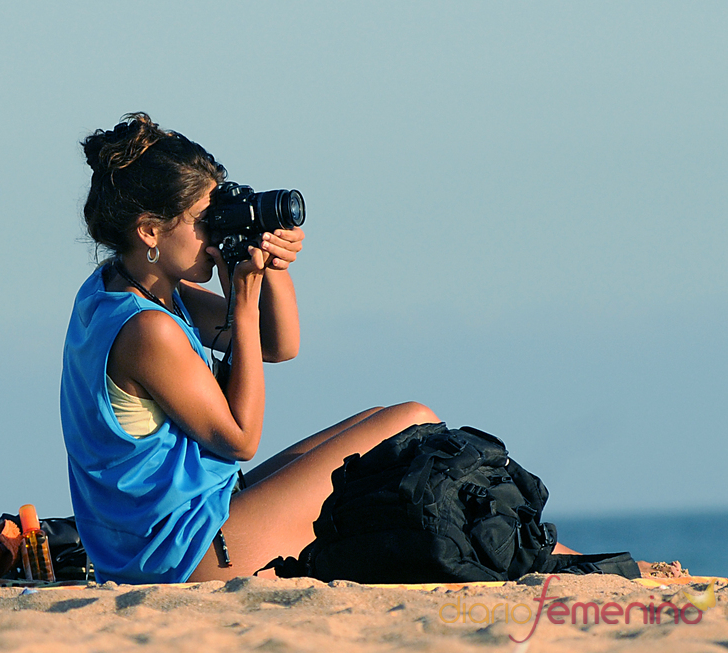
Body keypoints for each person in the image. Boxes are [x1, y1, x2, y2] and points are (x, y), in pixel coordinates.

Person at [60, 113, 590, 585]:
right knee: (415, 421)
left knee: (395, 424)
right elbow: (241, 439)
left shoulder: (119, 292)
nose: (214, 231)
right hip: (184, 555)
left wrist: (271, 265)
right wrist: (241, 303)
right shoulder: (148, 331)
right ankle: (556, 560)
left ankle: (551, 556)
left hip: (169, 538)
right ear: (150, 230)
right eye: (205, 220)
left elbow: (278, 344)